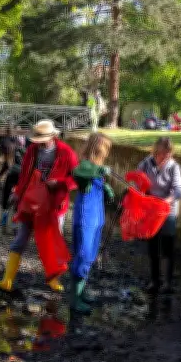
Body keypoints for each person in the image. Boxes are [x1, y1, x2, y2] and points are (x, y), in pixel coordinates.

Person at [0, 119, 79, 294]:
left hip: (53, 205)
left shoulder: (66, 152)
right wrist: (17, 193)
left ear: (52, 136)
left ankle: (53, 280)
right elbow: (25, 174)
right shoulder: (32, 150)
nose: (38, 143)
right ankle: (7, 280)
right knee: (20, 238)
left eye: (41, 139)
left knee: (52, 242)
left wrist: (60, 183)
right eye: (36, 139)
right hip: (30, 202)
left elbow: (75, 179)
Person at [69, 133, 114, 314]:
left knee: (91, 255)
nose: (107, 153)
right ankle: (74, 299)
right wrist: (99, 172)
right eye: (106, 149)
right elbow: (78, 173)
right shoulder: (86, 164)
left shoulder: (95, 166)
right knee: (83, 255)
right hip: (86, 218)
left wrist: (105, 187)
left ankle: (82, 293)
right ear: (99, 148)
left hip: (96, 217)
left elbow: (95, 179)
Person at [136, 137, 181, 295]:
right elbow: (137, 181)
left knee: (168, 246)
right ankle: (155, 280)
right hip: (151, 210)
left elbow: (178, 189)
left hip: (167, 210)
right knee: (153, 245)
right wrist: (141, 194)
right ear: (156, 152)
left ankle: (168, 283)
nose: (165, 158)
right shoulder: (146, 164)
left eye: (168, 154)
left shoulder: (173, 167)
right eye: (162, 154)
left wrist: (167, 201)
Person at [0, 126, 25, 231]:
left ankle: (6, 220)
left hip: (15, 177)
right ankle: (14, 221)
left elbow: (5, 165)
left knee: (6, 199)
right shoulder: (22, 150)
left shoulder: (11, 150)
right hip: (20, 178)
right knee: (17, 200)